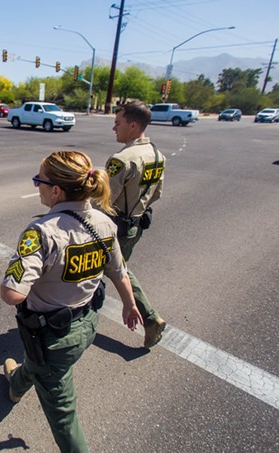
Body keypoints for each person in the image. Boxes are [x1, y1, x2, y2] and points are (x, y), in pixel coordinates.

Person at [0, 151, 143, 453]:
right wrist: (130, 305)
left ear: (55, 190)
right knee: (38, 364)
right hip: (87, 324)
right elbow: (119, 272)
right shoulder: (104, 223)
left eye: (39, 180)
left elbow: (11, 294)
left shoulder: (42, 231)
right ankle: (16, 384)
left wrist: (20, 266)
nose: (36, 185)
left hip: (52, 338)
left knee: (64, 416)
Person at [105, 100, 167, 348]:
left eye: (118, 123)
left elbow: (103, 200)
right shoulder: (157, 155)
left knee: (101, 270)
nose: (114, 128)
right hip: (137, 223)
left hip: (116, 225)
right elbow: (157, 194)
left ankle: (149, 317)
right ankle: (150, 319)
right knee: (120, 269)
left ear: (132, 125)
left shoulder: (122, 159)